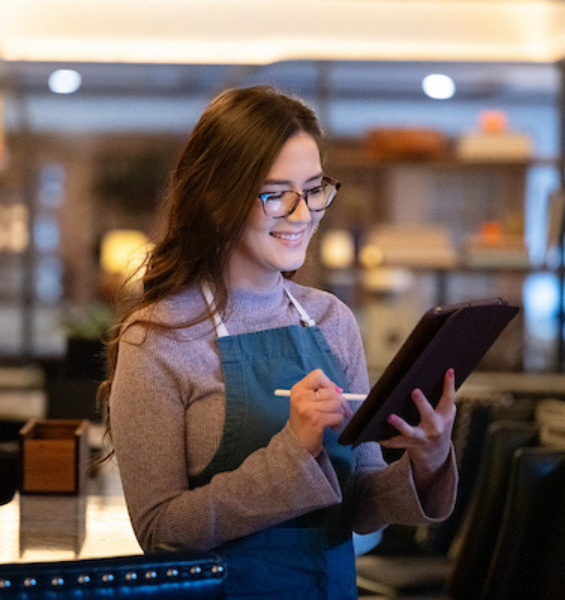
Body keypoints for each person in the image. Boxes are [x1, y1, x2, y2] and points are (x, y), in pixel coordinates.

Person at [102, 85, 458, 599]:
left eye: (314, 189)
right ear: (217, 197)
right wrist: (291, 451)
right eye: (276, 194)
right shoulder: (157, 340)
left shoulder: (331, 320)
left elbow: (359, 503)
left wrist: (427, 462)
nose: (302, 215)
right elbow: (161, 533)